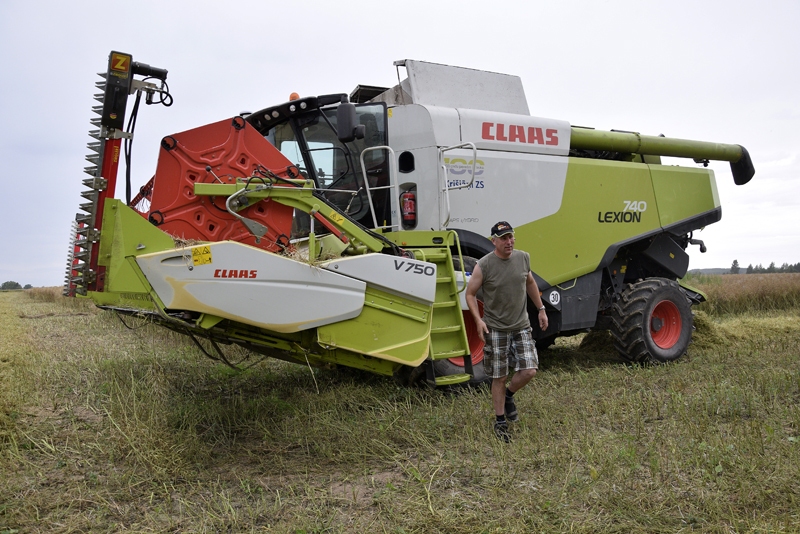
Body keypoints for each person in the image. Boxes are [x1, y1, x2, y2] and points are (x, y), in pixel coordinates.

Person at [465, 221, 549, 442]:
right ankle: (500, 421)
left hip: (521, 326)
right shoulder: (484, 265)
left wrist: (541, 309)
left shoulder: (523, 258)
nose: (509, 242)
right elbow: (470, 294)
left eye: (511, 237)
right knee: (499, 376)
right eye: (503, 238)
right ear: (494, 241)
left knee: (530, 370)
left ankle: (510, 396)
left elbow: (530, 282)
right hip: (496, 329)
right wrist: (478, 320)